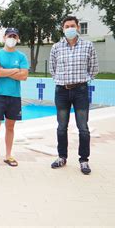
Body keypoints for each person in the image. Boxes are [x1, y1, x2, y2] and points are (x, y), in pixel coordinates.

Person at [49, 16, 99, 175]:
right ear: (63, 29)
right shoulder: (56, 47)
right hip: (62, 91)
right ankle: (62, 157)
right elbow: (52, 69)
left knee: (83, 127)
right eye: (66, 26)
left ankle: (84, 160)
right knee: (61, 127)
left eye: (72, 25)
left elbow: (94, 68)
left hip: (80, 91)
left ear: (77, 27)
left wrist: (84, 80)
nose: (69, 28)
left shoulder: (88, 45)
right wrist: (61, 80)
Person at [0, 28, 29, 168]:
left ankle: (8, 155)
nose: (12, 38)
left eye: (14, 36)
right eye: (9, 35)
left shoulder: (21, 56)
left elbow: (24, 76)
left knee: (10, 127)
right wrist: (15, 70)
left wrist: (4, 71)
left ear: (17, 39)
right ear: (4, 37)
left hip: (14, 96)